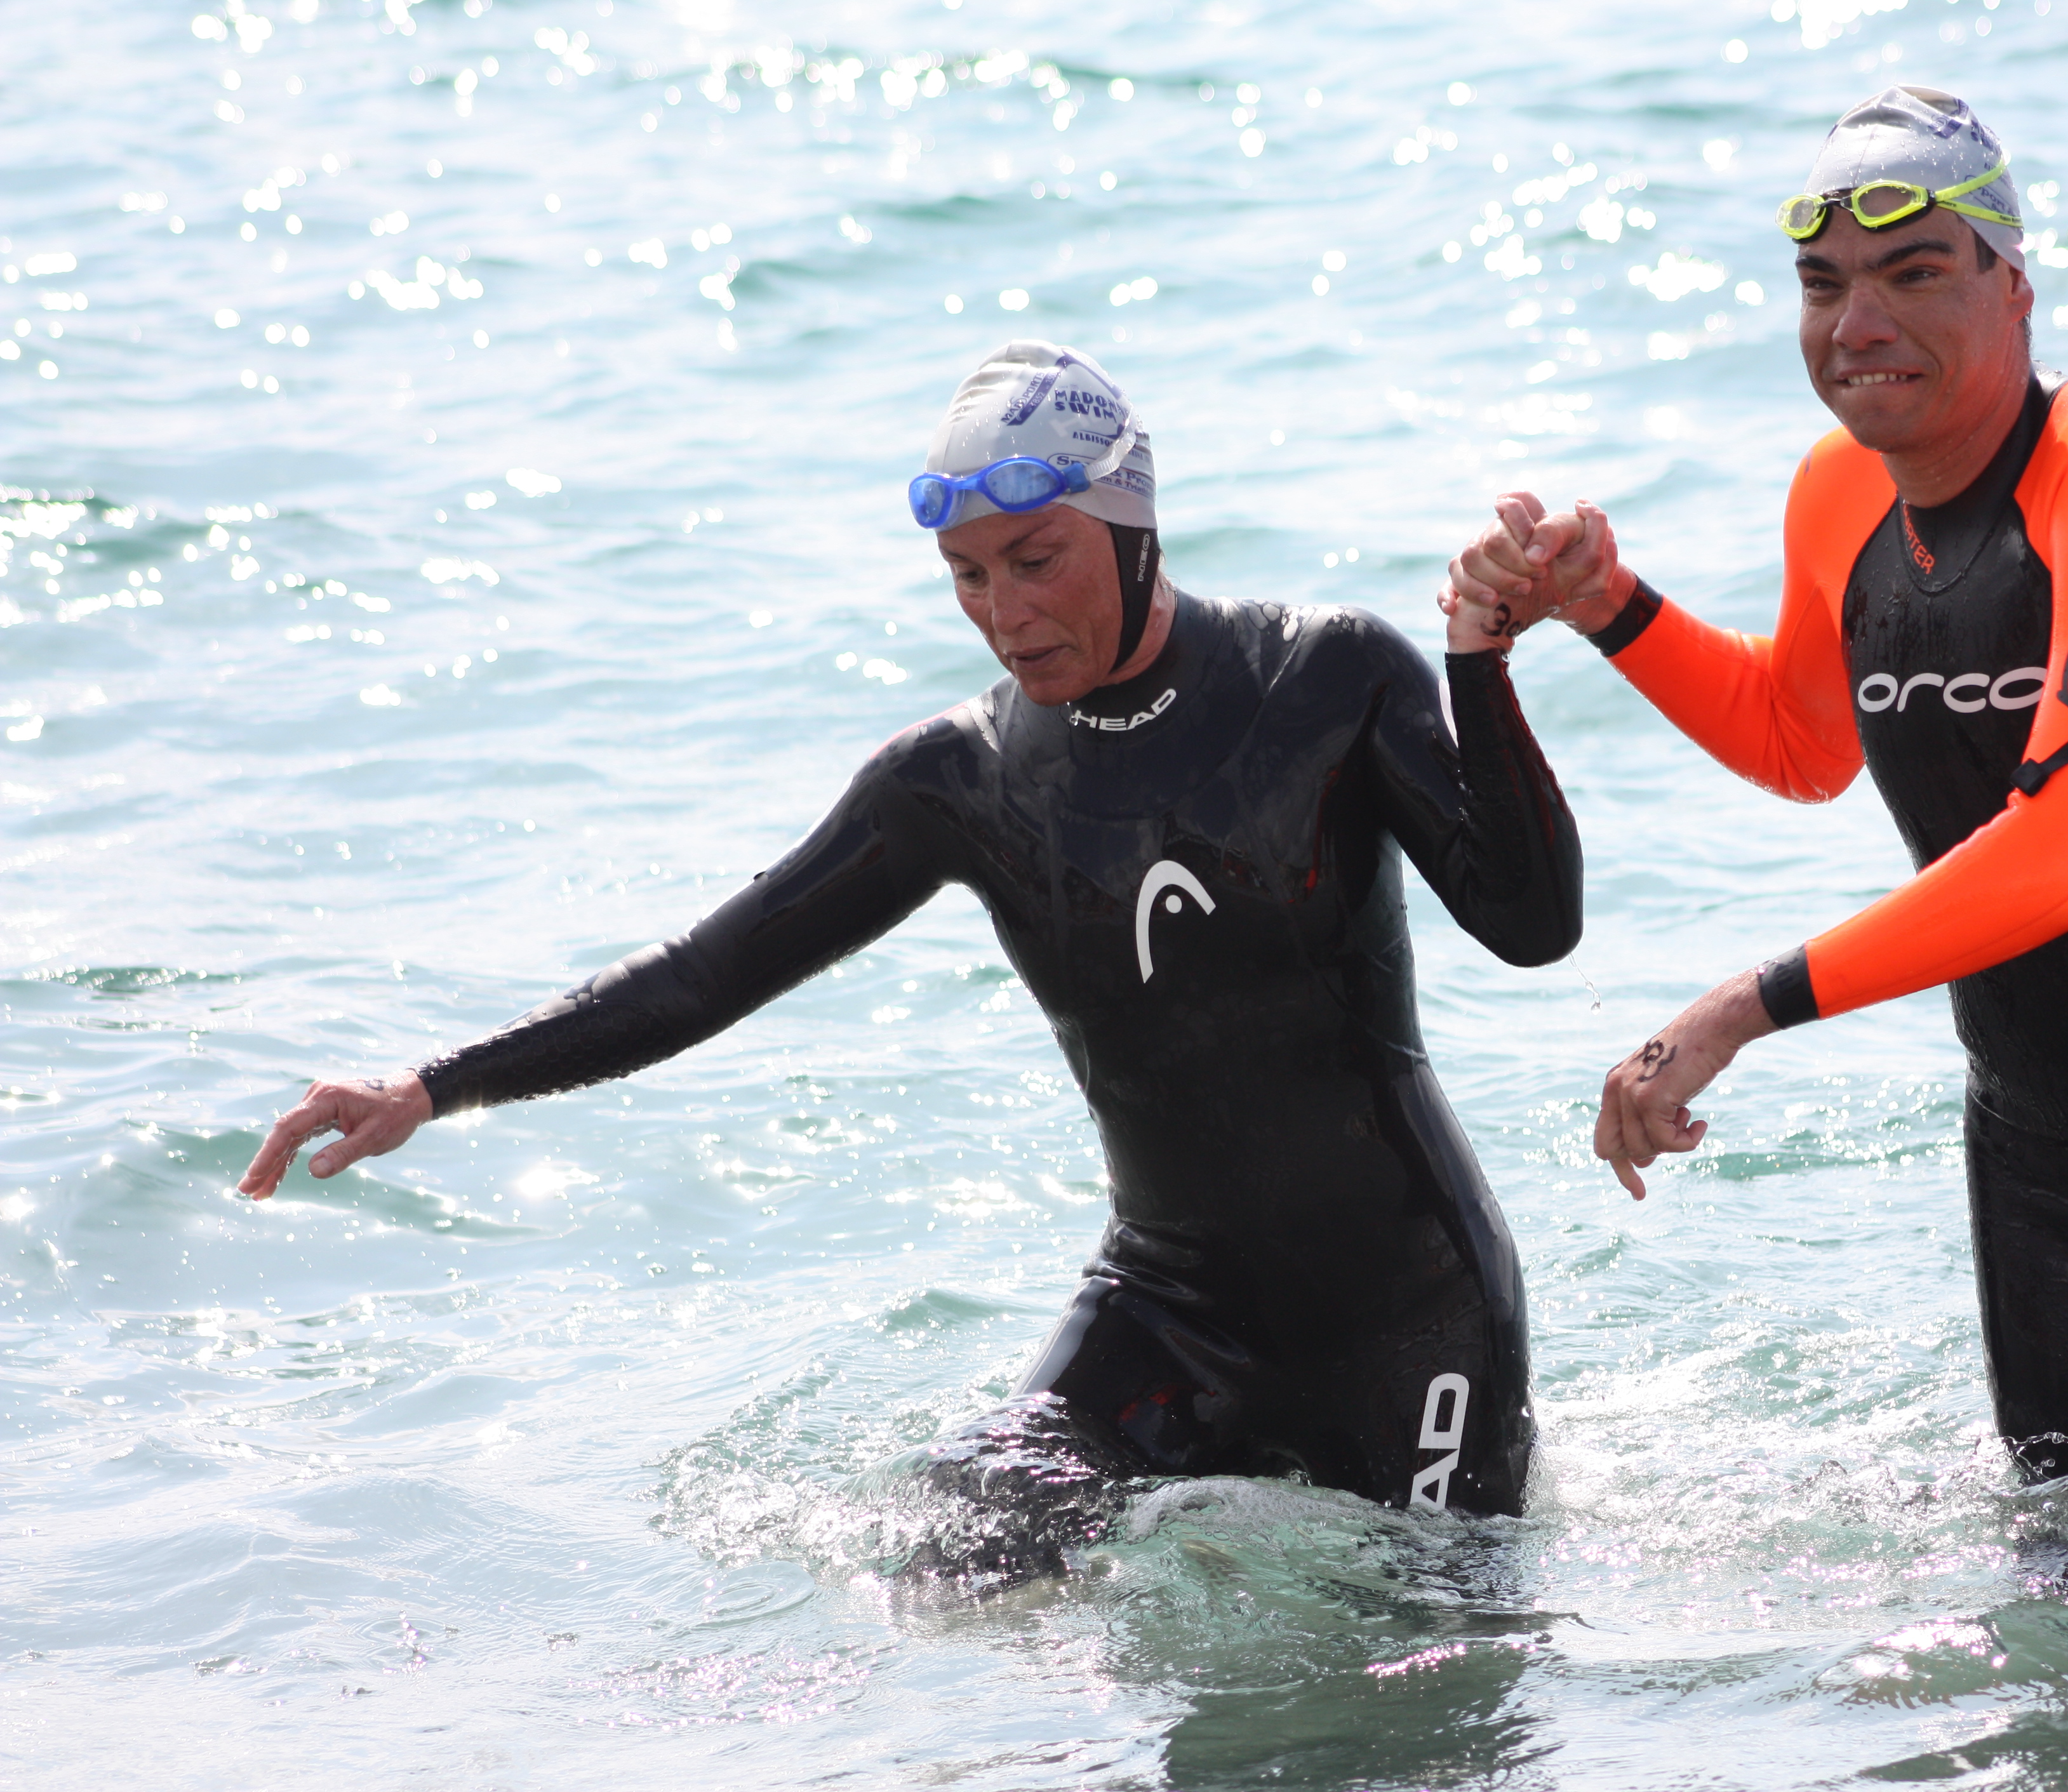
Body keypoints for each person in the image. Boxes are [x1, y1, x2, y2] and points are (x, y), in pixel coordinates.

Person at [241, 341, 1584, 1578]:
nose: (1004, 610)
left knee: (1417, 1704)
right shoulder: (961, 781)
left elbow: (1533, 925)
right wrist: (431, 1084)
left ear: (1132, 528)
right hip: (1169, 1313)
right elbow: (705, 973)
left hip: (1407, 1321)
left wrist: (1480, 662)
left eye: (1037, 558)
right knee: (941, 1556)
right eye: (970, 575)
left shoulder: (1323, 678)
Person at [1446, 88, 2068, 1607]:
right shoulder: (1839, 495)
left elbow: (2065, 853)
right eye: (1822, 285)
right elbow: (1799, 739)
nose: (1857, 321)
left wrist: (1733, 1011)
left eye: (1913, 272)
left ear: (2013, 286)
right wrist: (1608, 607)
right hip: (2043, 1165)